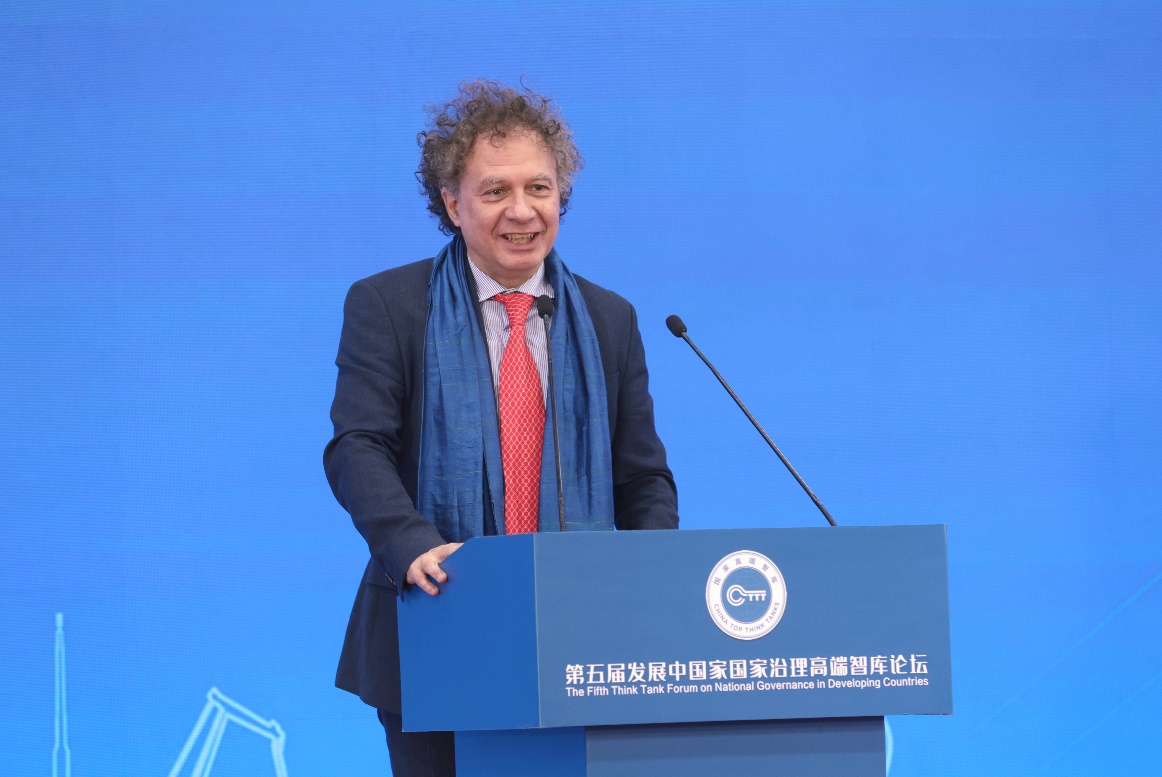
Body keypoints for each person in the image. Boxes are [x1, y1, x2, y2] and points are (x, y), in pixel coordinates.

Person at [324, 79, 679, 777]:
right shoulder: (390, 305)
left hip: (584, 638)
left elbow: (642, 477)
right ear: (453, 204)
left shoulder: (608, 319)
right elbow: (357, 446)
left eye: (539, 188)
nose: (522, 210)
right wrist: (410, 543)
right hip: (434, 618)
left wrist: (653, 579)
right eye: (495, 191)